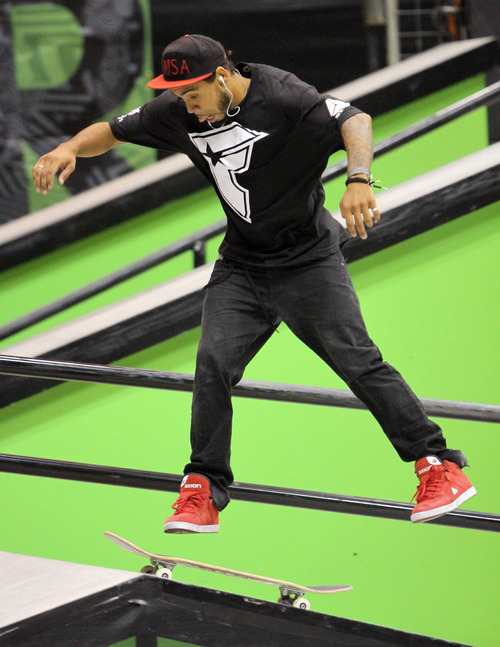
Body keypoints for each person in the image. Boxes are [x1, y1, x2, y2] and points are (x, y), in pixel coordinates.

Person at [33, 34, 476, 533]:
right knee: (213, 364)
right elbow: (111, 131)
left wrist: (358, 179)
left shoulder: (284, 95)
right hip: (242, 265)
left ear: (221, 78)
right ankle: (204, 487)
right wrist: (68, 148)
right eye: (179, 98)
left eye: (194, 97)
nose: (188, 110)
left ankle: (439, 466)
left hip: (307, 260)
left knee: (357, 359)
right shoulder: (177, 108)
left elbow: (355, 119)